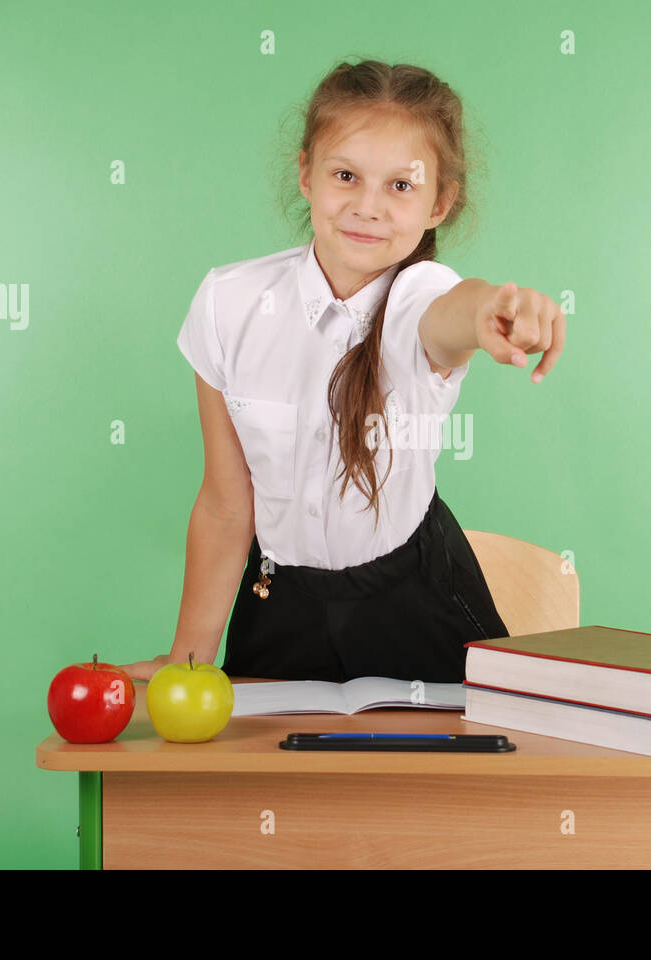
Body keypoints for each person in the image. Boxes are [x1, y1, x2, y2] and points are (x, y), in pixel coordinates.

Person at [123, 59, 565, 684]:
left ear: (440, 202)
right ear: (306, 173)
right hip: (281, 601)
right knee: (260, 778)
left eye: (400, 186)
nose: (367, 207)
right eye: (346, 175)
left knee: (456, 779)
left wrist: (495, 309)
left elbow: (450, 313)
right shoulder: (229, 302)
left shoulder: (421, 293)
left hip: (417, 600)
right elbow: (226, 504)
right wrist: (187, 661)